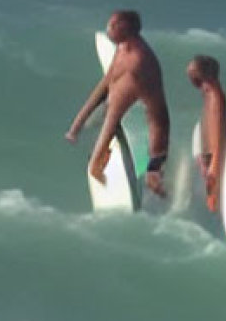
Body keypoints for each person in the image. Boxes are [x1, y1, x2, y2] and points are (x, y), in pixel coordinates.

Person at [66, 10, 170, 197]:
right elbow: (106, 82)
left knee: (113, 115)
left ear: (127, 29)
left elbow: (156, 119)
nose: (108, 28)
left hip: (149, 110)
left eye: (114, 25)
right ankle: (100, 153)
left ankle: (102, 163)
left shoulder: (138, 63)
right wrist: (77, 125)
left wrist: (154, 166)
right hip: (125, 97)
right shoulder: (123, 48)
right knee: (98, 117)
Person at [186, 55, 226, 212]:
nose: (189, 74)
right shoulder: (208, 94)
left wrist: (212, 172)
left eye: (192, 70)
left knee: (207, 209)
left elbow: (217, 139)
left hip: (212, 165)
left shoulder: (215, 97)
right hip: (207, 162)